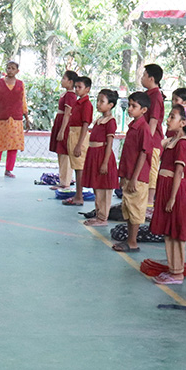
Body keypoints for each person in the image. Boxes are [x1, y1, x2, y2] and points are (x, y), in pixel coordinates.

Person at [149, 106, 186, 284]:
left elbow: (178, 172)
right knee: (169, 231)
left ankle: (177, 272)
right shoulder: (172, 141)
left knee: (177, 231)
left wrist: (173, 197)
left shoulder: (183, 143)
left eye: (172, 117)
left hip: (174, 189)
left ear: (183, 122)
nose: (168, 120)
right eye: (168, 116)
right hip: (166, 187)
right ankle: (172, 268)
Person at [114, 91, 153, 253]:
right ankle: (130, 239)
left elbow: (144, 154)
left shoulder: (143, 128)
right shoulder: (133, 127)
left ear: (143, 110)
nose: (130, 109)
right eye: (129, 105)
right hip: (129, 175)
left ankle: (132, 242)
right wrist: (124, 176)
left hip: (137, 178)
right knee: (128, 208)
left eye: (133, 106)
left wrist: (135, 178)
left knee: (135, 209)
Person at [82, 89, 119, 226]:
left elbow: (109, 143)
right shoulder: (99, 120)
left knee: (104, 188)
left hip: (103, 155)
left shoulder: (110, 121)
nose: (98, 104)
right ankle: (98, 215)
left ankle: (103, 217)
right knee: (97, 187)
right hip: (94, 155)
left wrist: (105, 162)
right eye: (97, 101)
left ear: (110, 105)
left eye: (102, 101)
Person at [62, 76, 93, 206]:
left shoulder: (86, 104)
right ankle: (77, 194)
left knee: (79, 167)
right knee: (76, 166)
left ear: (87, 89)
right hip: (73, 133)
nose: (77, 89)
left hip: (80, 134)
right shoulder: (78, 102)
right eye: (76, 87)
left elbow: (85, 125)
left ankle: (79, 196)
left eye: (80, 87)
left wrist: (79, 145)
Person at [142, 64, 165, 207]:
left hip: (153, 140)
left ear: (151, 78)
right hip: (146, 137)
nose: (142, 78)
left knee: (152, 169)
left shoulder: (156, 96)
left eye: (144, 75)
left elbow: (154, 120)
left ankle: (150, 200)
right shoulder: (147, 95)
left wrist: (148, 140)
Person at [50, 70, 79, 188]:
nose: (62, 81)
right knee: (60, 153)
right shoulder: (66, 94)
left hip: (64, 124)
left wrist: (62, 130)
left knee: (64, 153)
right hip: (60, 122)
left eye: (64, 78)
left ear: (70, 82)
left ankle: (65, 182)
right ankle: (63, 180)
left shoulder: (70, 96)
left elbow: (67, 113)